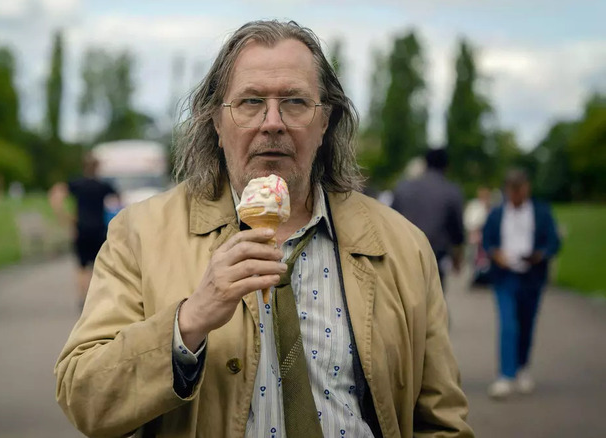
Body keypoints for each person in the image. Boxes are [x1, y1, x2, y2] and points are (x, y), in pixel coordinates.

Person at [55, 20, 473, 438]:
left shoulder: (403, 245)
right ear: (216, 123)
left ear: (325, 121)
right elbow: (85, 398)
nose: (272, 122)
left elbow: (441, 421)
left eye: (294, 102)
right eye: (251, 102)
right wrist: (188, 323)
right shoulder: (141, 235)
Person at [482, 169, 560, 399]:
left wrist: (540, 255)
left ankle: (522, 367)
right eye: (512, 190)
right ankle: (506, 375)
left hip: (531, 276)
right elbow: (487, 241)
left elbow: (553, 242)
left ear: (527, 188)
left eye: (520, 189)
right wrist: (496, 254)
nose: (516, 194)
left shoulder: (541, 212)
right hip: (505, 276)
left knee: (526, 323)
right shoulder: (497, 213)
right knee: (508, 324)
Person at [48, 153, 118, 308]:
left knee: (81, 266)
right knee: (99, 266)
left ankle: (83, 299)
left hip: (81, 229)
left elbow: (56, 194)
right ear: (98, 167)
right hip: (99, 230)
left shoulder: (77, 184)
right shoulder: (103, 186)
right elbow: (119, 202)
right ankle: (97, 299)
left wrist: (64, 217)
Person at [392, 149, 465, 291]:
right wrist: (457, 257)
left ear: (425, 163)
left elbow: (389, 220)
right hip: (434, 257)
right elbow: (456, 230)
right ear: (447, 166)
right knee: (433, 304)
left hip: (403, 254)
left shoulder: (403, 187)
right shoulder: (450, 191)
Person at [464, 186, 493, 287]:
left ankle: (484, 277)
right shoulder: (474, 205)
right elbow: (469, 220)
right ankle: (474, 277)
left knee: (484, 259)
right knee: (473, 258)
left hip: (485, 237)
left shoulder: (490, 206)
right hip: (475, 235)